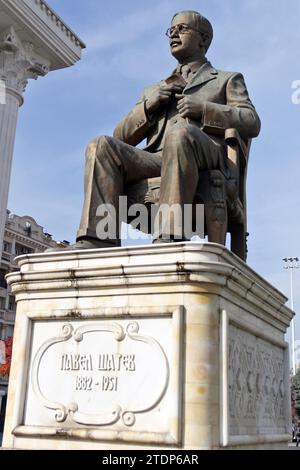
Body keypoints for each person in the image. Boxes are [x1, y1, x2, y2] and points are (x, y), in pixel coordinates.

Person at [75, 10, 261, 249]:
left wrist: (204, 109)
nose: (174, 34)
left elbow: (251, 120)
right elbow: (120, 137)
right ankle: (97, 238)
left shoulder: (227, 79)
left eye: (182, 29)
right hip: (158, 159)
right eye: (170, 31)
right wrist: (147, 107)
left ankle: (171, 234)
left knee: (180, 133)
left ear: (203, 39)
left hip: (204, 155)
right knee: (100, 145)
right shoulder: (155, 89)